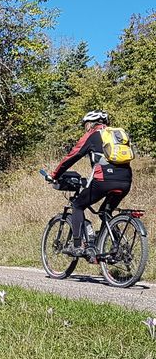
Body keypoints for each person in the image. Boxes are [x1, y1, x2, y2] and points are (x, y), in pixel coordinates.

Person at [50, 110, 133, 256]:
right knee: (105, 212)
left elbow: (73, 155)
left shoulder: (93, 135)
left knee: (77, 205)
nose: (85, 128)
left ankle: (78, 246)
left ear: (90, 124)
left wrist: (54, 175)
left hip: (103, 180)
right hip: (126, 181)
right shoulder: (118, 135)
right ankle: (116, 245)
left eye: (85, 125)